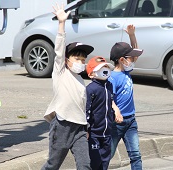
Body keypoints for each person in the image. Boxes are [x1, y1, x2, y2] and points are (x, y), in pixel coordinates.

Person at [42, 3, 94, 170]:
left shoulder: (80, 79)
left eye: (83, 60)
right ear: (67, 60)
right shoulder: (60, 72)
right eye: (76, 58)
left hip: (79, 128)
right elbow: (59, 49)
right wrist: (62, 23)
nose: (80, 62)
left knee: (85, 165)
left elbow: (82, 105)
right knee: (53, 165)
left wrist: (86, 127)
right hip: (62, 126)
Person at [108, 25, 143, 170]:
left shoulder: (127, 71)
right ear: (122, 60)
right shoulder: (112, 78)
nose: (134, 60)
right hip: (116, 123)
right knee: (107, 154)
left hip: (131, 121)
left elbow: (136, 52)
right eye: (131, 58)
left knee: (135, 155)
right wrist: (116, 111)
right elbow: (108, 98)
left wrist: (132, 35)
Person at [85, 56, 123, 170]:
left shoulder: (109, 86)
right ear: (92, 73)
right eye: (101, 68)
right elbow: (86, 110)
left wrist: (116, 111)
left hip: (107, 133)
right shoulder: (90, 89)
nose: (105, 69)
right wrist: (86, 129)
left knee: (105, 162)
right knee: (95, 162)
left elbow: (110, 101)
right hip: (94, 134)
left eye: (106, 67)